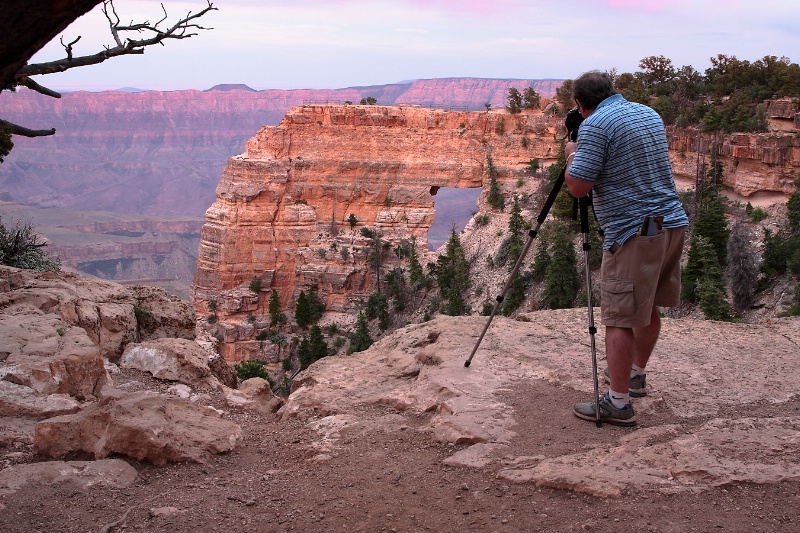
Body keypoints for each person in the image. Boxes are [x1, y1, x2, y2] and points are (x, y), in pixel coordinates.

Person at [564, 71, 689, 427]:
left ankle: (618, 403)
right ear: (611, 91)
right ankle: (635, 376)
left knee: (618, 317)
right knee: (646, 307)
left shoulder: (595, 125)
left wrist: (572, 154)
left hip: (633, 231)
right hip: (671, 223)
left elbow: (577, 187)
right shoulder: (647, 112)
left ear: (579, 103)